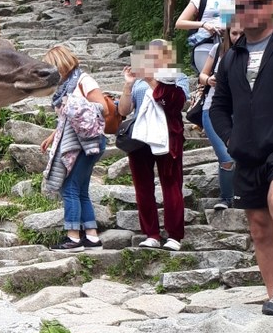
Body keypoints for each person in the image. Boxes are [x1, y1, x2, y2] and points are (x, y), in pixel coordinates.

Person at [210, 0, 273, 314]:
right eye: (241, 6)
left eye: (256, 4)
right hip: (247, 153)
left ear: (271, 6)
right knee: (258, 224)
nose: (248, 11)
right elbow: (218, 107)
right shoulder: (232, 58)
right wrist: (230, 138)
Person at [117, 40, 190, 251]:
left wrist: (151, 80)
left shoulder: (178, 77)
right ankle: (151, 234)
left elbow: (176, 105)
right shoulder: (139, 80)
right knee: (143, 187)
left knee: (171, 184)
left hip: (168, 135)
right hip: (140, 137)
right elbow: (123, 110)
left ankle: (174, 235)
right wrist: (129, 84)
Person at [40, 46, 108, 251]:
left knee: (69, 188)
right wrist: (53, 136)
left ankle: (73, 237)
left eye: (51, 67)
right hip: (75, 141)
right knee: (80, 190)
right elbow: (65, 119)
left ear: (60, 64)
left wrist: (75, 104)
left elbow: (102, 107)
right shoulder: (63, 88)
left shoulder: (83, 81)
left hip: (87, 143)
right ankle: (92, 237)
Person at [198, 22, 243, 210]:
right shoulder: (218, 49)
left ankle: (240, 196)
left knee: (242, 155)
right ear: (228, 33)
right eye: (234, 33)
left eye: (242, 32)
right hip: (213, 108)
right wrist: (209, 80)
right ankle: (226, 197)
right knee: (226, 156)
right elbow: (202, 74)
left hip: (243, 110)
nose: (237, 36)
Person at [174, 0, 238, 73]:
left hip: (226, 46)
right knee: (208, 79)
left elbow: (232, 22)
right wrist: (204, 25)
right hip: (204, 45)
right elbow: (180, 23)